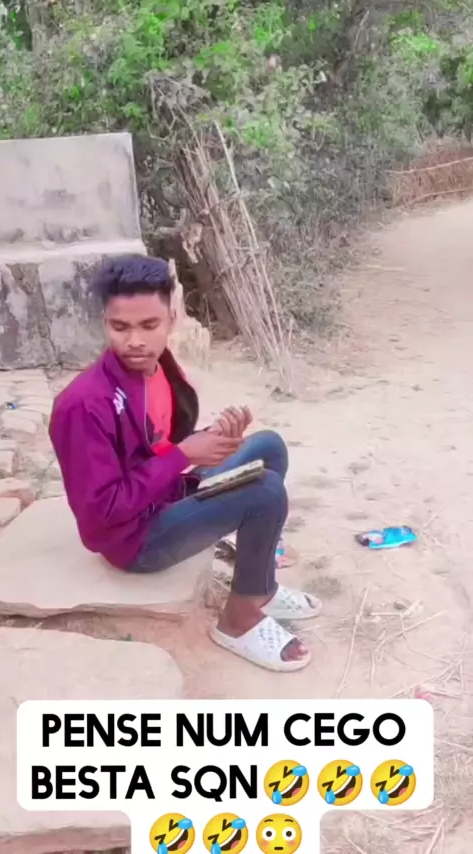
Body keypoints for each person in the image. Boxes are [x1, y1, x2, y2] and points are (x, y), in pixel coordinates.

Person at [49, 255, 322, 672]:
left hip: (167, 493)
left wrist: (214, 442)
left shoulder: (158, 368)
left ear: (171, 319)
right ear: (105, 323)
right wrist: (184, 455)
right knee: (265, 492)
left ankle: (260, 581)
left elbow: (158, 446)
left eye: (149, 325)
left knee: (269, 446)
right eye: (120, 327)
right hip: (135, 540)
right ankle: (239, 621)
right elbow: (101, 513)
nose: (135, 341)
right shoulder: (83, 405)